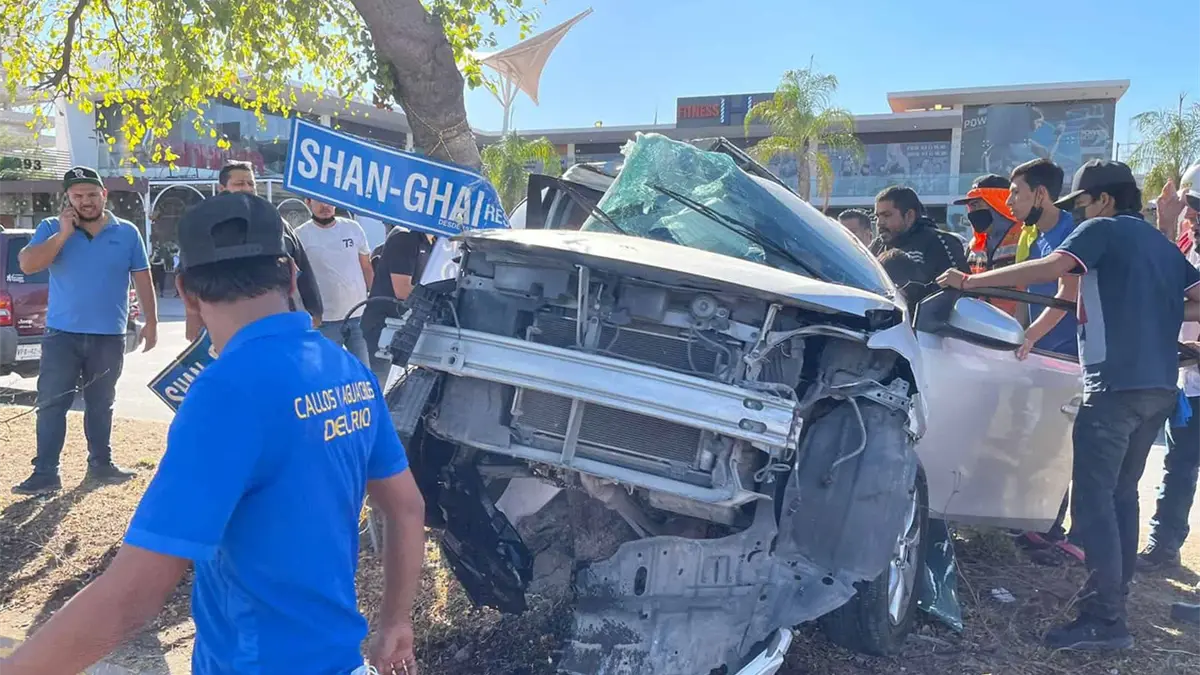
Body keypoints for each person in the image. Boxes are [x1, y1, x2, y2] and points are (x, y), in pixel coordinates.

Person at [0, 193, 427, 674]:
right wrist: (396, 622)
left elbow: (131, 596)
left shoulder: (226, 392)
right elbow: (406, 507)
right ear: (291, 276)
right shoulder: (346, 369)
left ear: (186, 293)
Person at [938, 159, 1200, 651]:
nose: (1077, 214)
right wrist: (1157, 308)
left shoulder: (1101, 229)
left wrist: (969, 283)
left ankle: (1105, 619)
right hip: (1159, 389)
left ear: (1103, 200)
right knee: (1122, 495)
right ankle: (1116, 596)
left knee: (1092, 501)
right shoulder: (1162, 245)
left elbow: (1054, 268)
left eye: (1081, 204)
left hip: (1112, 386)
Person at [11, 166, 159, 496]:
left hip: (109, 335)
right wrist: (63, 234)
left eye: (92, 194)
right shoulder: (51, 227)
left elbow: (142, 277)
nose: (86, 201)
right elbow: (28, 264)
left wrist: (152, 321)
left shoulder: (127, 232)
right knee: (52, 403)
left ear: (104, 195)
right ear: (68, 198)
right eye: (78, 195)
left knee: (101, 403)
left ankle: (101, 464)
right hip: (62, 335)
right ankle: (46, 472)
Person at [184, 161, 323, 341]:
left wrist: (314, 309)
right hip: (227, 326)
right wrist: (193, 317)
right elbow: (190, 274)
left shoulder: (277, 224)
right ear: (222, 188)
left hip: (279, 320)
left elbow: (302, 267)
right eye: (240, 184)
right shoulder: (205, 227)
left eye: (251, 184)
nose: (247, 189)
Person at [1140, 169, 1200, 571]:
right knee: (1178, 465)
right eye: (1189, 207)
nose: (1189, 216)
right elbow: (1163, 284)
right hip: (1189, 381)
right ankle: (1164, 545)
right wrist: (1165, 225)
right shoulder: (1187, 247)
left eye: (1195, 208)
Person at [1007, 158, 1078, 358]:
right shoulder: (1033, 237)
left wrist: (1029, 336)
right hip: (1038, 355)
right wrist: (1016, 336)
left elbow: (1068, 292)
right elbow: (1024, 293)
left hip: (1071, 358)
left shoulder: (1073, 231)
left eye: (1015, 192)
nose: (1009, 201)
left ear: (1040, 193)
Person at [296, 198, 374, 365]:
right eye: (319, 201)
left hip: (359, 316)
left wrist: (374, 303)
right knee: (330, 373)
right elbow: (297, 278)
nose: (325, 206)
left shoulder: (353, 228)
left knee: (363, 371)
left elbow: (366, 267)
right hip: (324, 321)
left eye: (328, 201)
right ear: (308, 202)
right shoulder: (300, 235)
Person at [869, 185, 968, 304]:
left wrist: (912, 292)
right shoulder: (876, 246)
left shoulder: (941, 242)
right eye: (877, 217)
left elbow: (959, 293)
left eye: (886, 215)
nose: (879, 223)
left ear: (909, 215)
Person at [362, 226, 435, 385]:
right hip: (383, 324)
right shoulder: (405, 239)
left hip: (404, 324)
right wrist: (435, 302)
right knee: (380, 383)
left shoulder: (434, 244)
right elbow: (402, 290)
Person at [954, 174, 1022, 315]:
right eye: (970, 207)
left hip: (1015, 322)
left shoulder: (1025, 236)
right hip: (981, 321)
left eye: (976, 205)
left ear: (997, 203)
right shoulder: (974, 246)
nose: (972, 213)